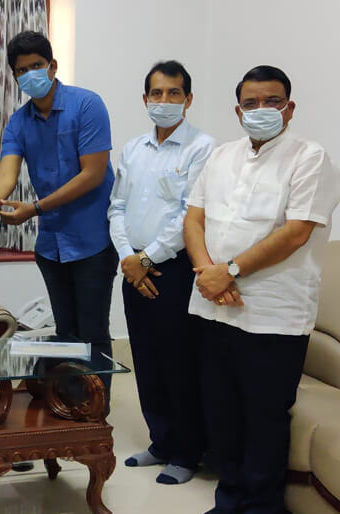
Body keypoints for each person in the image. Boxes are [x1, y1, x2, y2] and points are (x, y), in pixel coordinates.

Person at [184, 65, 340, 513]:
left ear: (289, 108)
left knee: (264, 417)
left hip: (273, 314)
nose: (261, 111)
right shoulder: (221, 155)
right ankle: (228, 499)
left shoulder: (310, 157)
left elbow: (295, 232)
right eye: (251, 103)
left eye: (272, 102)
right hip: (214, 307)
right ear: (238, 110)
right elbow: (194, 218)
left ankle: (261, 507)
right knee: (222, 411)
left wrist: (228, 271)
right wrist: (207, 272)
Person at [0, 31, 118, 397]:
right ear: (14, 77)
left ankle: (94, 414)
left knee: (92, 331)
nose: (30, 75)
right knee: (65, 332)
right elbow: (5, 176)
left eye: (37, 66)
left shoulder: (87, 105)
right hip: (51, 244)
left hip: (92, 240)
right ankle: (69, 404)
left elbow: (92, 174)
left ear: (53, 66)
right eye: (22, 70)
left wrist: (36, 208)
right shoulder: (19, 122)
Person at [108, 61, 214, 485]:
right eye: (157, 93)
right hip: (132, 266)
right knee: (146, 359)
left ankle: (188, 452)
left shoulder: (202, 148)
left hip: (174, 270)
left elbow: (190, 215)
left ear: (188, 100)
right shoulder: (134, 149)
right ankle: (161, 441)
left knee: (178, 362)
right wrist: (128, 259)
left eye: (174, 93)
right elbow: (117, 208)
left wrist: (146, 259)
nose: (164, 101)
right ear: (145, 99)